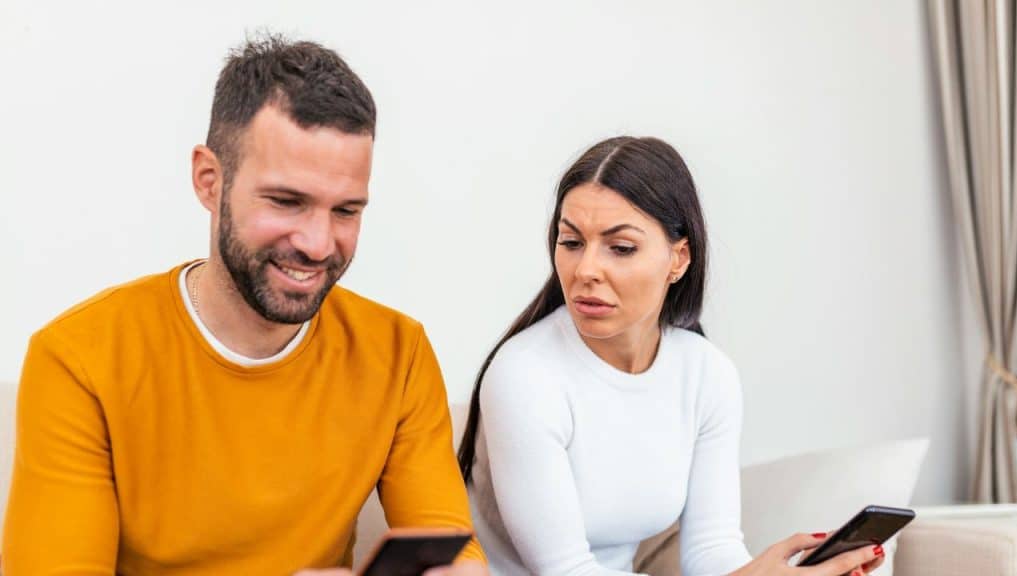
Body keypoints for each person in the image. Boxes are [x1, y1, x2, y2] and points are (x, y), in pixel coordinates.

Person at [2, 36, 486, 576]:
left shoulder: (399, 353)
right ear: (210, 181)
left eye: (346, 210)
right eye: (287, 201)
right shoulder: (79, 359)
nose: (319, 243)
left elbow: (450, 548)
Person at [457, 136, 884, 576]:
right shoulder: (524, 376)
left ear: (678, 259)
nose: (585, 270)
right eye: (571, 242)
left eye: (620, 248)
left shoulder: (706, 374)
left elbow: (711, 549)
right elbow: (565, 571)